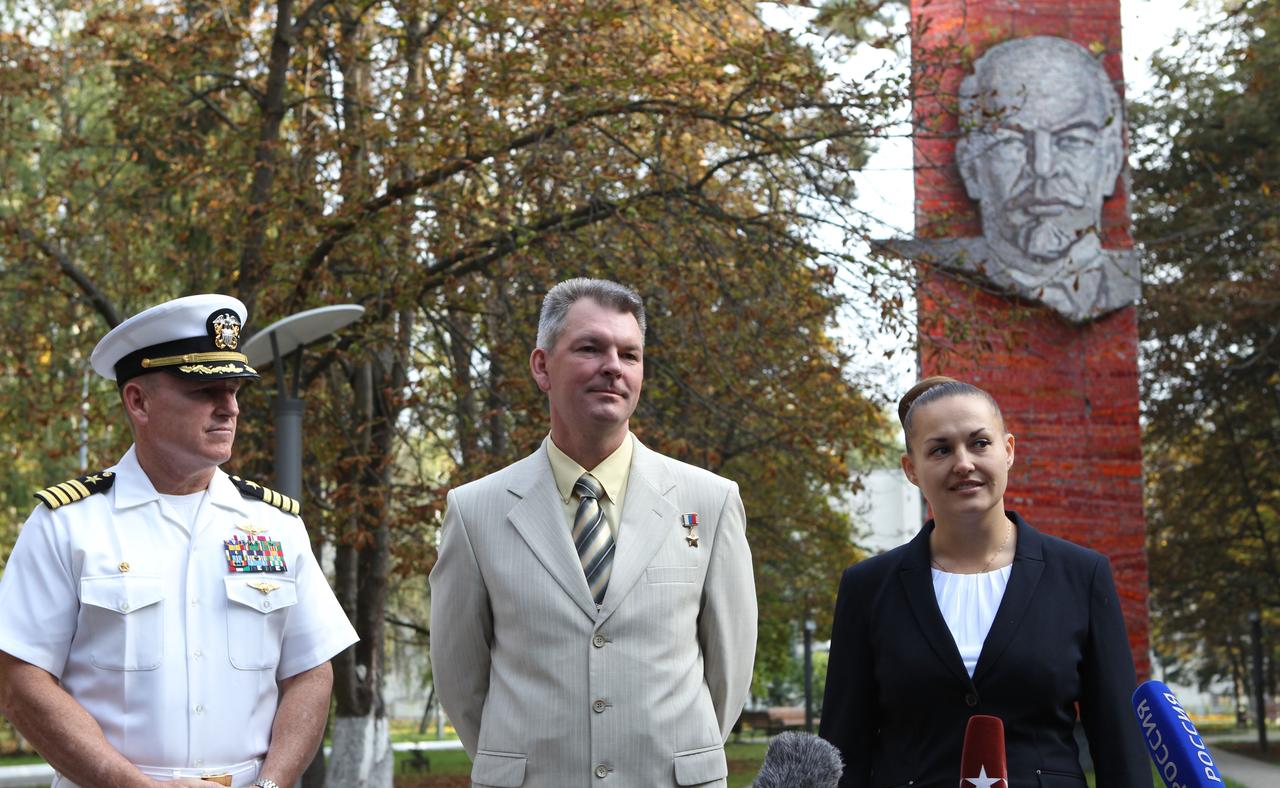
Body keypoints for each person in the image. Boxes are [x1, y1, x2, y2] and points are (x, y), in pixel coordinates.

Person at [0, 295, 358, 788]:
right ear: (138, 401)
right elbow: (20, 680)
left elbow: (311, 673)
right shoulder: (68, 524)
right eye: (206, 390)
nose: (229, 408)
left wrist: (270, 785)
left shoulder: (274, 525)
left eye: (234, 390)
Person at [429, 278, 757, 787]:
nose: (613, 366)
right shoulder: (475, 512)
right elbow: (460, 679)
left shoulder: (709, 503)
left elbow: (729, 672)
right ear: (542, 366)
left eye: (630, 354)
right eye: (589, 348)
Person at [818, 376, 1148, 787]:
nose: (963, 463)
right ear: (912, 470)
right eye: (940, 449)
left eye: (979, 443)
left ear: (1007, 451)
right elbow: (843, 746)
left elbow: (1119, 742)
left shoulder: (1082, 575)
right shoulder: (867, 588)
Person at [895, 36, 1140, 322]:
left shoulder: (1124, 281)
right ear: (971, 168)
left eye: (1073, 140)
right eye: (1010, 142)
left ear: (1110, 163)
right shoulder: (939, 266)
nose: (1043, 167)